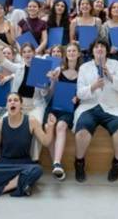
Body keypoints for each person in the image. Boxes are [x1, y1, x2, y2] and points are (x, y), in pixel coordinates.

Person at [0, 93, 57, 199]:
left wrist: (51, 127)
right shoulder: (1, 122)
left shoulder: (31, 121)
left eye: (16, 100)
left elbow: (46, 141)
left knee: (37, 170)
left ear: (21, 105)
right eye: (9, 101)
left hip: (24, 164)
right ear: (7, 105)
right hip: (4, 165)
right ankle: (22, 184)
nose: (12, 102)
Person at [74, 40, 118, 183]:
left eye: (102, 47)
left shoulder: (116, 65)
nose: (99, 49)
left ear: (107, 50)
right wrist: (92, 87)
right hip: (89, 107)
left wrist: (111, 77)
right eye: (96, 47)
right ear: (92, 51)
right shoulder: (84, 67)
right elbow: (80, 93)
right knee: (82, 133)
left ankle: (117, 164)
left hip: (112, 109)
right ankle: (79, 163)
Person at [43, 42, 82, 181]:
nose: (71, 53)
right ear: (66, 54)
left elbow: (84, 92)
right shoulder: (58, 70)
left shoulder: (82, 72)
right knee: (48, 126)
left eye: (74, 51)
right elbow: (50, 93)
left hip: (69, 108)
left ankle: (56, 163)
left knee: (61, 126)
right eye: (69, 51)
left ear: (78, 54)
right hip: (54, 106)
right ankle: (57, 165)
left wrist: (78, 97)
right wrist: (53, 81)